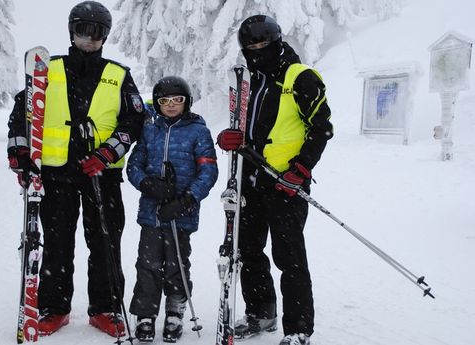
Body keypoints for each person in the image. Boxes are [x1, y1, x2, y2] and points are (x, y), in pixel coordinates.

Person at [6, 1, 145, 338]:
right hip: (56, 174)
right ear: (72, 31)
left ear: (105, 36)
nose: (89, 38)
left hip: (101, 174)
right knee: (56, 242)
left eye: (96, 32)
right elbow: (20, 114)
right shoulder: (47, 70)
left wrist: (109, 152)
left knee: (105, 242)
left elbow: (135, 120)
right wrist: (20, 153)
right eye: (83, 30)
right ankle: (54, 307)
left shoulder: (118, 74)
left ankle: (106, 307)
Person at [216, 15, 334, 345]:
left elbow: (322, 129)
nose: (257, 50)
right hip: (250, 180)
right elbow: (243, 127)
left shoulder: (301, 78)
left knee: (289, 257)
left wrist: (301, 169)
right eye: (250, 46)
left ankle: (297, 329)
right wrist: (230, 137)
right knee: (248, 250)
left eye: (262, 44)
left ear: (276, 41)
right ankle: (260, 312)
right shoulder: (247, 81)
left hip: (285, 183)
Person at [126, 76, 218, 342]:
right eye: (164, 101)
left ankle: (175, 311)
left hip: (181, 212)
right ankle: (145, 314)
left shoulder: (198, 130)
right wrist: (148, 185)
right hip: (151, 211)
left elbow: (208, 170)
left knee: (177, 262)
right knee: (148, 263)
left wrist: (187, 200)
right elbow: (134, 166)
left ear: (186, 101)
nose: (170, 106)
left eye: (177, 101)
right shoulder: (149, 129)